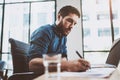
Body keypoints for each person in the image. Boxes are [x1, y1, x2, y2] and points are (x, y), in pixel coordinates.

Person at [28, 5, 90, 76]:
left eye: (74, 24)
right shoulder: (44, 32)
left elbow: (64, 60)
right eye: (69, 20)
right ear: (59, 17)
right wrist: (68, 65)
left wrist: (74, 64)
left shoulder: (63, 37)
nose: (72, 26)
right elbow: (32, 65)